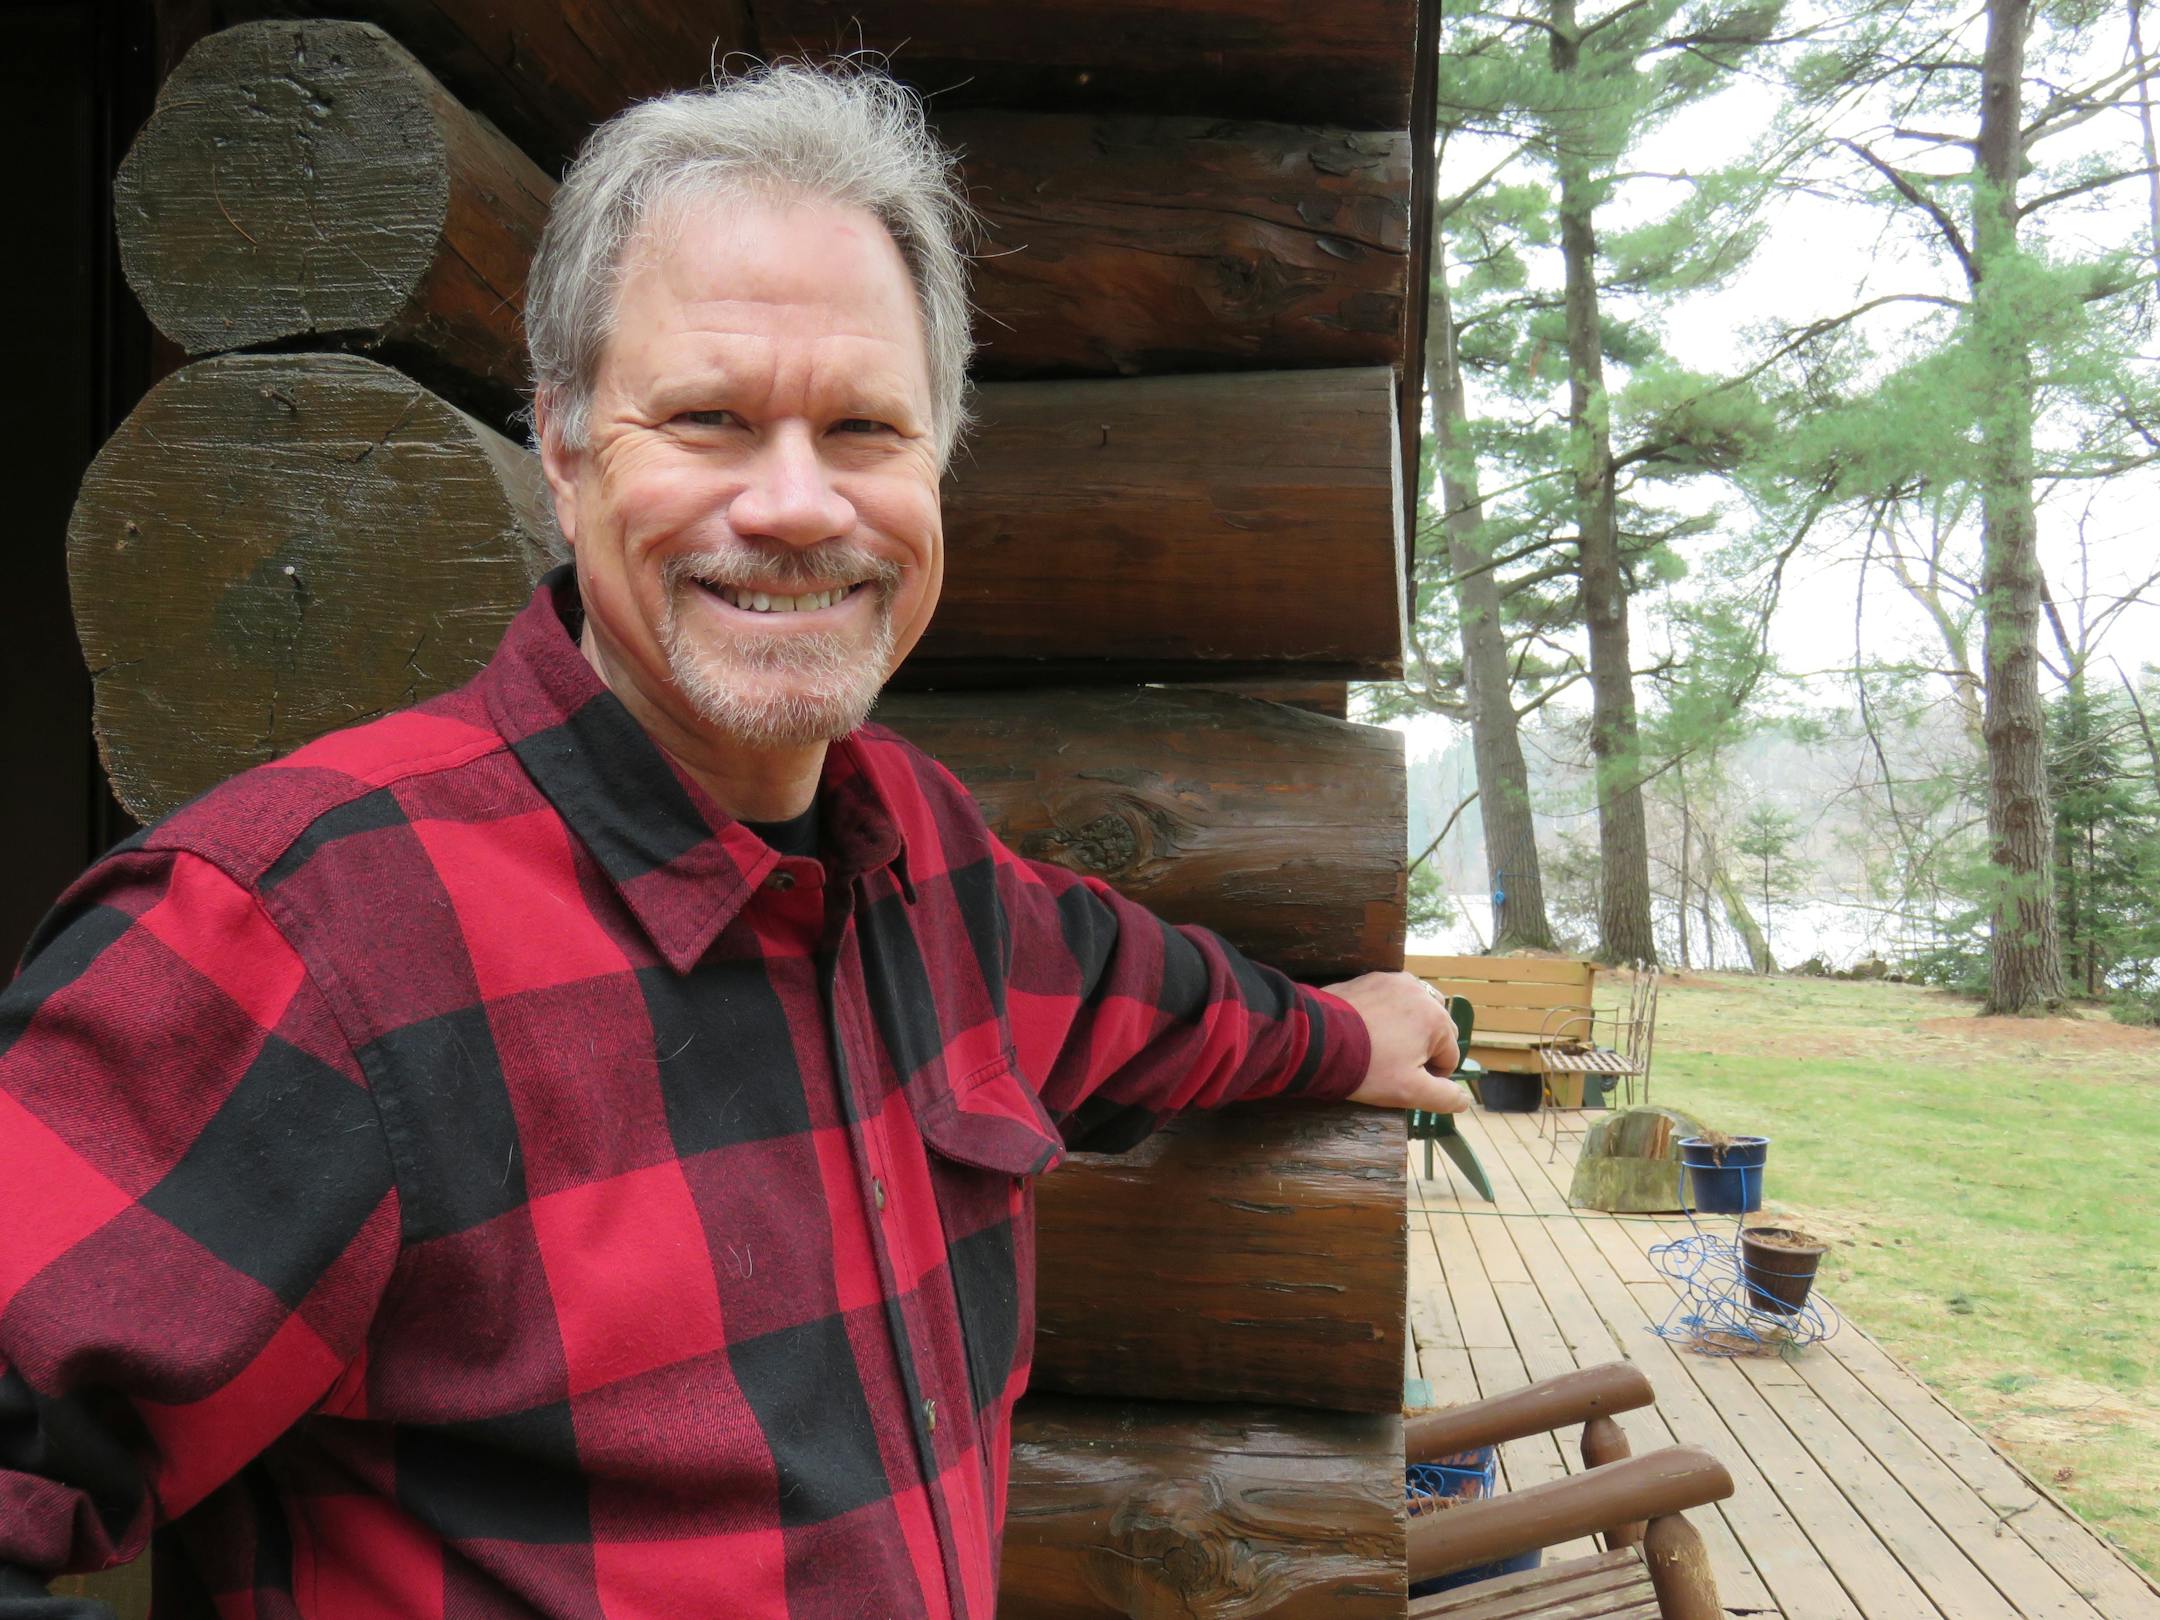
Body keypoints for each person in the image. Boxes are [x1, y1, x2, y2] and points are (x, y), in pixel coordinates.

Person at [0, 63, 1466, 1620]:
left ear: (934, 466)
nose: (792, 504)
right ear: (565, 454)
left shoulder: (926, 864)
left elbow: (1131, 995)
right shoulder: (293, 941)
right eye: (708, 418)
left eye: (862, 429)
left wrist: (1338, 1035)